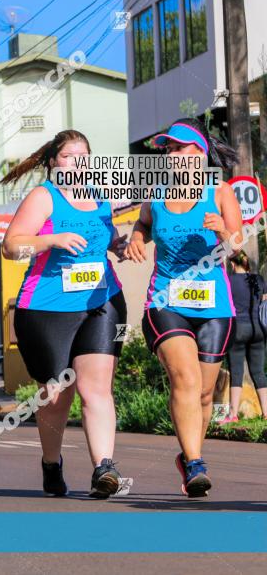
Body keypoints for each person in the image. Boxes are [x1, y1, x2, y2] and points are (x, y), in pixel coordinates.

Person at [1, 130, 128, 498]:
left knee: (96, 389)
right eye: (69, 156)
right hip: (45, 308)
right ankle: (51, 463)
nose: (78, 162)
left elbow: (105, 241)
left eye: (84, 155)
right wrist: (50, 240)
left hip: (100, 302)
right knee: (55, 397)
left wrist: (119, 245)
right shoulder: (44, 197)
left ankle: (104, 467)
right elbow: (11, 246)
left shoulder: (100, 197)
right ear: (53, 163)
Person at [125, 118, 242, 497]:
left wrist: (222, 230)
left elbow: (237, 246)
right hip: (165, 300)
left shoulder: (220, 193)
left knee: (206, 393)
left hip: (214, 305)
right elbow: (142, 224)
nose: (171, 155)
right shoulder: (156, 193)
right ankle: (195, 464)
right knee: (186, 379)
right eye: (168, 149)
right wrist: (136, 240)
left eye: (178, 148)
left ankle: (190, 456)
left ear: (199, 153)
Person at [223, 251, 267, 422]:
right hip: (258, 330)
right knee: (259, 372)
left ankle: (232, 415)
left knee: (236, 372)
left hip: (237, 329)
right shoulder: (259, 280)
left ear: (232, 264)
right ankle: (266, 413)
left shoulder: (228, 282)